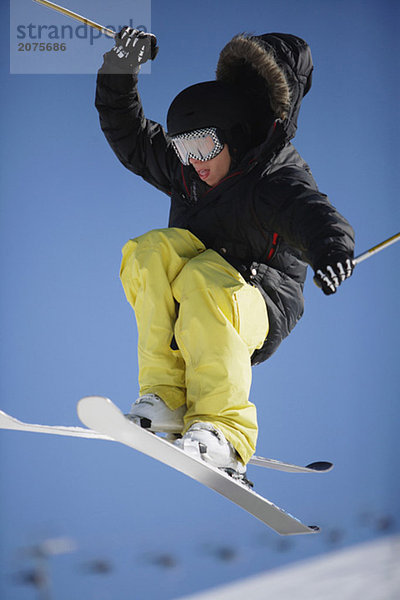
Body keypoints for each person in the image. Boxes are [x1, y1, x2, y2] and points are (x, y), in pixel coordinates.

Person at [95, 28, 355, 483]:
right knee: (150, 251)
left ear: (234, 135)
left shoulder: (273, 179)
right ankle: (167, 398)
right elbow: (129, 135)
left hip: (258, 302)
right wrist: (121, 66)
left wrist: (332, 250)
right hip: (202, 290)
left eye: (203, 147)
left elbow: (312, 214)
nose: (194, 160)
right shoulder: (190, 173)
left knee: (204, 277)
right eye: (183, 147)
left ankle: (226, 434)